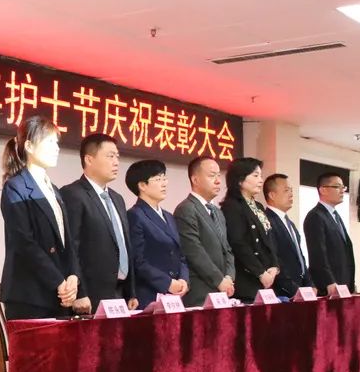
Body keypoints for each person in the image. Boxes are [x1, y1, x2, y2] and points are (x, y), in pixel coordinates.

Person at [0, 115, 81, 319]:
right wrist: (58, 281)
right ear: (29, 146)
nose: (56, 148)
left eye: (57, 143)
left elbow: (67, 241)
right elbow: (24, 242)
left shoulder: (53, 190)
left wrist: (73, 276)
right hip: (30, 295)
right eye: (50, 142)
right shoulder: (15, 187)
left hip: (59, 295)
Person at [61, 133, 137, 314]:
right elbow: (71, 248)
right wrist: (79, 292)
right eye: (110, 156)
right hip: (91, 295)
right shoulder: (73, 194)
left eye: (117, 156)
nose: (116, 162)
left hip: (120, 294)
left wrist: (131, 292)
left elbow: (124, 245)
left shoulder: (117, 199)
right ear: (89, 159)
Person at [125, 159, 188, 308]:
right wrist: (167, 283)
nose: (164, 183)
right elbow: (137, 261)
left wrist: (184, 280)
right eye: (158, 179)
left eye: (164, 178)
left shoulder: (169, 216)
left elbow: (181, 255)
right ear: (142, 185)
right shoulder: (135, 215)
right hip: (149, 295)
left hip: (174, 295)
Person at [174, 156, 235, 307]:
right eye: (212, 175)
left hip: (222, 291)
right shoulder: (186, 209)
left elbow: (227, 249)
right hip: (200, 292)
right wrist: (219, 280)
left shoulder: (217, 212)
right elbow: (194, 251)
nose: (218, 181)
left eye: (219, 175)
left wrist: (229, 277)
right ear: (195, 180)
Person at [221, 157, 279, 303]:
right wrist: (260, 272)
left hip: (267, 280)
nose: (261, 180)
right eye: (255, 175)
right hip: (247, 282)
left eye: (260, 175)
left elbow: (268, 240)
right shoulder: (232, 206)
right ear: (240, 180)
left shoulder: (258, 206)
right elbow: (238, 243)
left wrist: (275, 266)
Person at [303, 172, 356, 295]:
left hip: (344, 284)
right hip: (329, 287)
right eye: (337, 187)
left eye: (343, 187)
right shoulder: (316, 216)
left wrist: (351, 283)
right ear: (323, 190)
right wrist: (329, 282)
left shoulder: (335, 216)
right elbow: (318, 254)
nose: (342, 191)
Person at [262, 173, 313, 298]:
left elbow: (299, 257)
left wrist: (309, 284)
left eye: (291, 190)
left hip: (301, 290)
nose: (291, 194)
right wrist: (294, 290)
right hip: (283, 293)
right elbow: (274, 258)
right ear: (272, 195)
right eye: (286, 190)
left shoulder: (290, 223)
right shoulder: (266, 221)